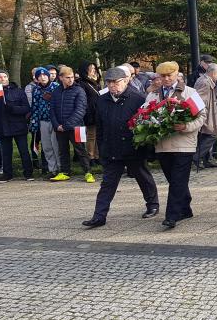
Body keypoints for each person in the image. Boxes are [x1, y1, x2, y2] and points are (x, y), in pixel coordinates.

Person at [81, 68, 159, 228]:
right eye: (109, 83)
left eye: (115, 82)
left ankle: (153, 204)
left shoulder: (137, 99)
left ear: (126, 81)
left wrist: (147, 149)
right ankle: (99, 216)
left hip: (133, 148)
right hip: (111, 149)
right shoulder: (101, 100)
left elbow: (145, 125)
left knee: (142, 176)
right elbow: (100, 128)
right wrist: (101, 149)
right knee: (108, 184)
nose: (112, 86)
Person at [145, 61, 207, 228]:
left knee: (178, 180)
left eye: (169, 75)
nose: (166, 79)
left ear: (176, 74)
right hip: (162, 145)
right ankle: (185, 208)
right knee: (174, 180)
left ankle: (172, 215)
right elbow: (144, 115)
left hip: (184, 144)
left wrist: (186, 126)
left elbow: (202, 116)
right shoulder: (153, 95)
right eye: (162, 76)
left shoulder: (189, 92)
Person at [0, 69, 34, 182]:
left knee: (24, 151)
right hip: (2, 127)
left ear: (8, 78)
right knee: (6, 152)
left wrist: (13, 109)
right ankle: (7, 174)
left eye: (4, 77)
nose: (2, 79)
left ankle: (28, 172)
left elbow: (26, 108)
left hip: (18, 126)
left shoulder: (18, 91)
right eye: (0, 77)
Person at [49, 66, 93, 183]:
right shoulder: (56, 92)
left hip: (77, 127)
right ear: (61, 78)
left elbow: (80, 111)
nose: (71, 80)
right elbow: (52, 110)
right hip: (59, 127)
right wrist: (56, 125)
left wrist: (65, 125)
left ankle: (88, 172)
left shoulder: (79, 91)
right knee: (63, 151)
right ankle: (65, 172)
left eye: (72, 77)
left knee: (81, 150)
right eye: (67, 77)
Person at [29, 67, 60, 178]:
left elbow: (60, 103)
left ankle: (61, 168)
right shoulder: (36, 90)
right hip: (43, 121)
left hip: (55, 120)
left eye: (45, 75)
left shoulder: (56, 87)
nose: (43, 77)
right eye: (40, 76)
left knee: (56, 145)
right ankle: (52, 169)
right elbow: (35, 107)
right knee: (47, 147)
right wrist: (34, 122)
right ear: (37, 79)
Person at [193, 62, 217, 169]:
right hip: (206, 114)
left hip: (209, 112)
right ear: (213, 73)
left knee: (207, 135)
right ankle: (197, 157)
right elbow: (199, 99)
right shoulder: (205, 82)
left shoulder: (205, 80)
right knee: (212, 134)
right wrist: (202, 115)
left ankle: (206, 159)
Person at [77, 61, 101, 164]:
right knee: (91, 135)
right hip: (89, 112)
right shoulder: (82, 83)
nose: (93, 71)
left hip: (97, 110)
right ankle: (91, 156)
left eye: (94, 69)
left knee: (98, 134)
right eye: (91, 69)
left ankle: (97, 155)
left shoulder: (96, 82)